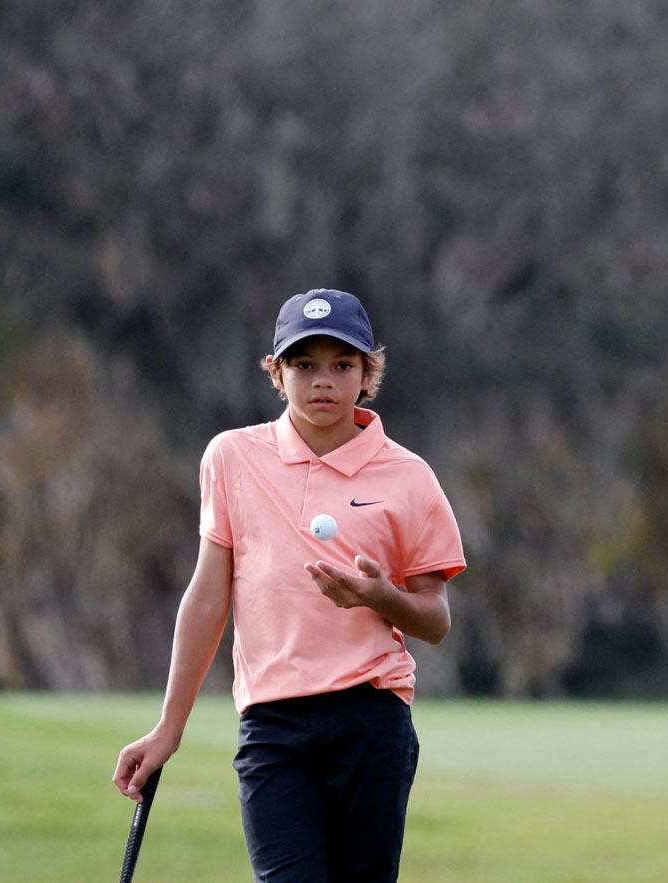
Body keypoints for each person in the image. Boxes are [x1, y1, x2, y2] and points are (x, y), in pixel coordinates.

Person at [113, 288, 466, 881]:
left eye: (342, 365)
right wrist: (168, 730)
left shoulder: (410, 476)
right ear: (276, 373)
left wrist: (381, 597)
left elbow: (435, 620)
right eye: (304, 365)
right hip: (272, 727)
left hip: (370, 718)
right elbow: (207, 596)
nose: (322, 381)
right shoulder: (231, 457)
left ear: (367, 373)